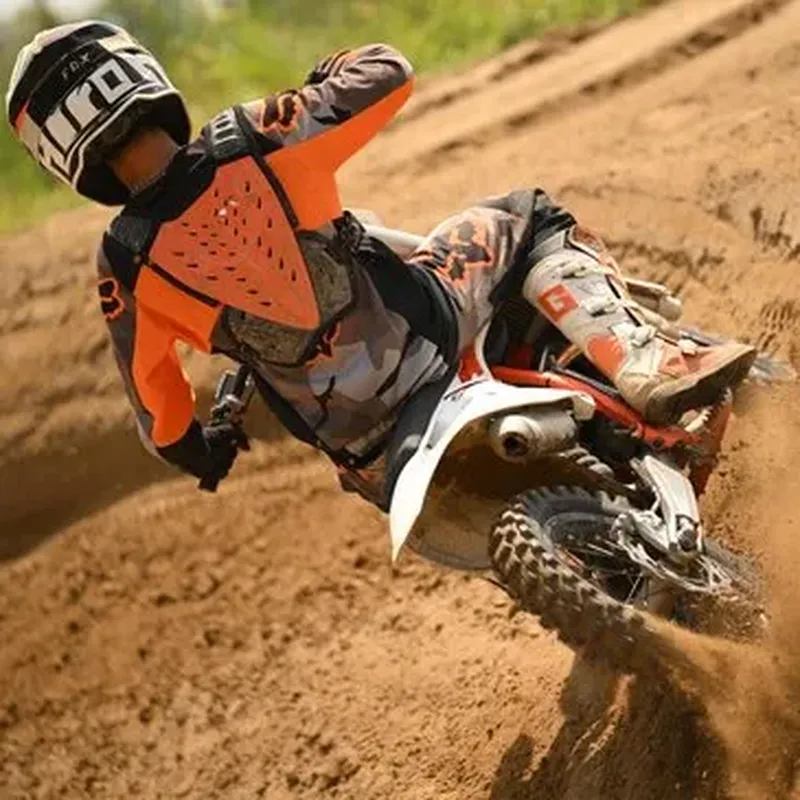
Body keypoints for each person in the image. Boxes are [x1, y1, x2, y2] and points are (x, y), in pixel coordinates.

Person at [6, 21, 756, 507]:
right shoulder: (250, 139)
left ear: (58, 153)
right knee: (528, 215)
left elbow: (160, 416)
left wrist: (202, 452)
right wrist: (325, 69)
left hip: (369, 457)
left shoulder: (124, 264)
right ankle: (648, 363)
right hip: (426, 338)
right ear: (136, 73)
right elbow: (389, 74)